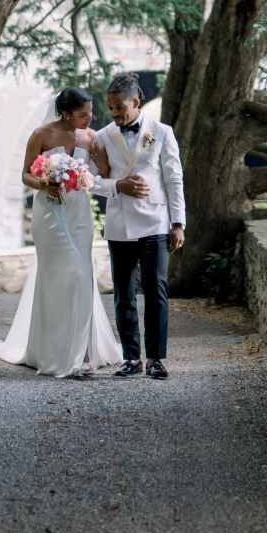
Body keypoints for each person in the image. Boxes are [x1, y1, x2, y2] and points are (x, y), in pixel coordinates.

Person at [0, 86, 122, 379]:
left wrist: (95, 154)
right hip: (50, 215)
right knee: (55, 279)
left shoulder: (90, 137)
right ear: (66, 113)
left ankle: (82, 352)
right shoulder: (41, 135)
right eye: (83, 114)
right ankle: (52, 350)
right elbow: (25, 175)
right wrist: (45, 183)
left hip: (79, 214)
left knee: (81, 276)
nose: (89, 118)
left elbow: (104, 174)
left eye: (91, 112)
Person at [87, 72, 185, 381]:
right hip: (120, 224)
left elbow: (173, 179)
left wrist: (178, 223)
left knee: (156, 291)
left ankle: (155, 358)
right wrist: (118, 186)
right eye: (111, 107)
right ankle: (131, 358)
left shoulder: (162, 132)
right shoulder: (102, 136)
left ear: (135, 102)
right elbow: (91, 180)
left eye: (119, 107)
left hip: (156, 221)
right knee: (124, 293)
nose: (114, 113)